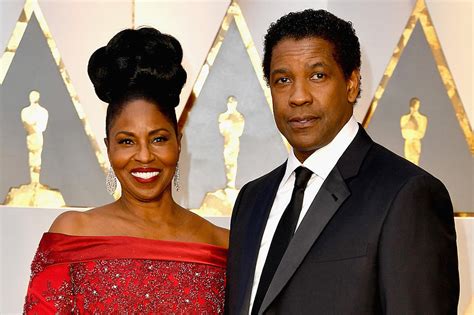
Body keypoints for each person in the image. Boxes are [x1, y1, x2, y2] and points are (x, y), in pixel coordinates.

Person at [225, 9, 459, 314]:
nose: (298, 97)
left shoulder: (407, 195)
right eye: (282, 80)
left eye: (317, 76)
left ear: (351, 83)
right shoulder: (251, 199)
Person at [24, 27, 228, 314]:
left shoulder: (221, 245)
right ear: (109, 148)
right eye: (127, 141)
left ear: (178, 143)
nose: (144, 156)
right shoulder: (72, 234)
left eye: (158, 139)